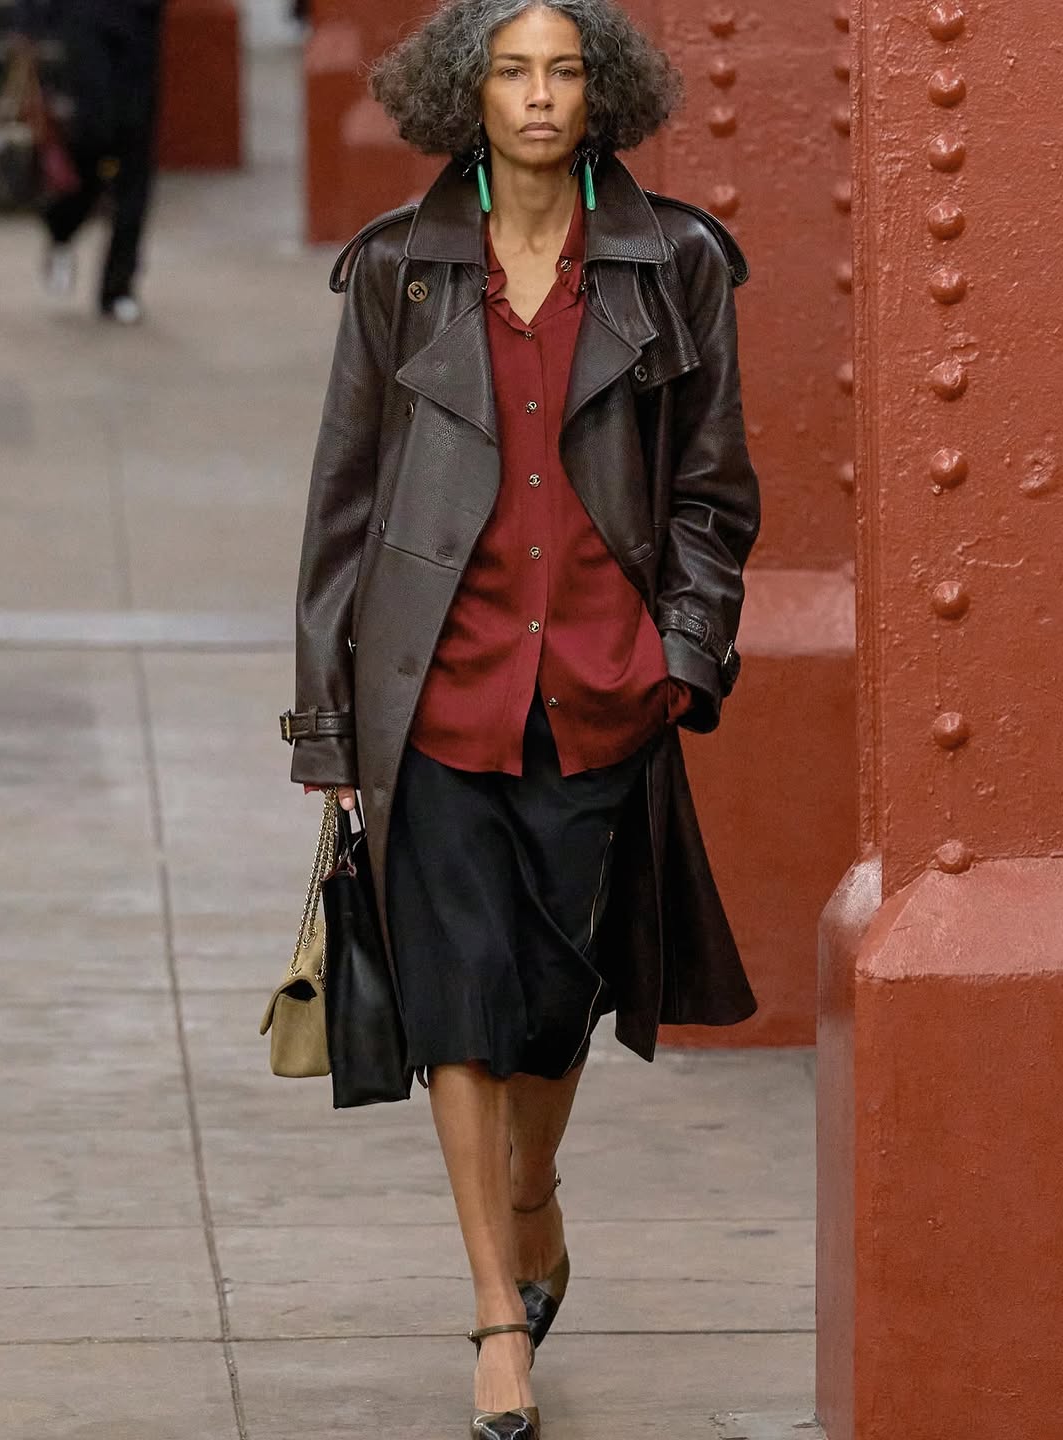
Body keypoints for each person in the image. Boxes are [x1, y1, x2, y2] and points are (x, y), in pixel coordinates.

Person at [282, 2, 761, 1435]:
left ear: (599, 91)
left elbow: (715, 495)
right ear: (465, 95)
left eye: (562, 71)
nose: (540, 97)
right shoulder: (398, 272)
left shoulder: (675, 263)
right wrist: (330, 731)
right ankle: (498, 1314)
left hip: (605, 697)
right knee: (461, 1011)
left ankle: (535, 1196)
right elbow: (343, 512)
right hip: (433, 694)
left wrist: (682, 657)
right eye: (511, 72)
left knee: (557, 1008)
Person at [12, 0, 165, 323]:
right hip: (86, 20)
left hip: (139, 24)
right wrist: (30, 21)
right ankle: (61, 223)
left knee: (135, 153)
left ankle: (119, 287)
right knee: (95, 136)